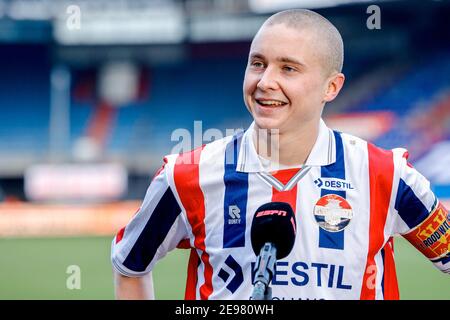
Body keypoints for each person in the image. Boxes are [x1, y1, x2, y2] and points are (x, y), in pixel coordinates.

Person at [111, 9, 449, 300]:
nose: (265, 82)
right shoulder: (187, 175)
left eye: (288, 69)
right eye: (258, 64)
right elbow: (129, 265)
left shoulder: (386, 174)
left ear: (332, 87)